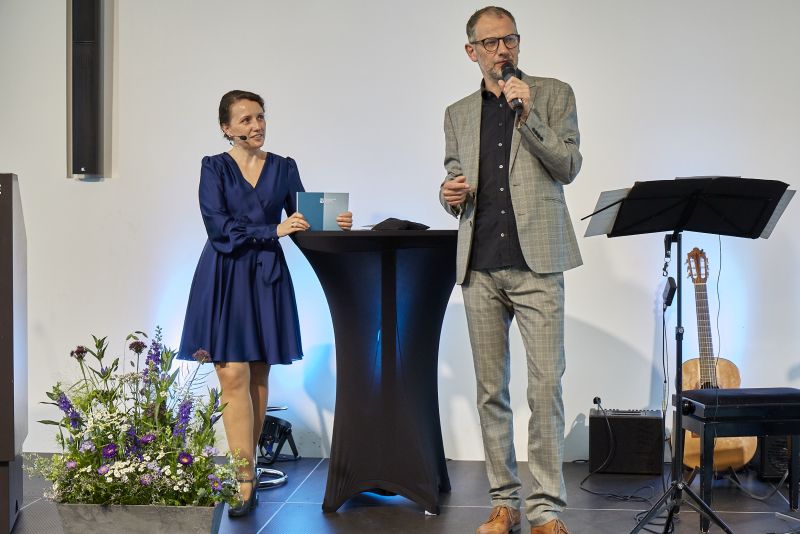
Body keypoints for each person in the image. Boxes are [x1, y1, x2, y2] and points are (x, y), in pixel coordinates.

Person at [439, 7, 582, 534]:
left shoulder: (552, 94)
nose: (503, 50)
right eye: (491, 42)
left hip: (537, 263)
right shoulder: (457, 113)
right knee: (490, 391)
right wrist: (448, 194)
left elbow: (568, 166)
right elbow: (453, 181)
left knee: (545, 389)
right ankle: (504, 502)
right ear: (471, 51)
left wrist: (528, 114)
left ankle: (545, 510)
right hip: (479, 267)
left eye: (510, 40)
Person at [178, 90, 352, 517]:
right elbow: (219, 228)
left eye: (260, 117)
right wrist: (273, 230)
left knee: (257, 375)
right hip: (225, 275)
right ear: (226, 128)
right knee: (232, 373)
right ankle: (243, 480)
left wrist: (335, 224)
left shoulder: (284, 167)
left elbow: (302, 220)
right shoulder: (214, 167)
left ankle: (249, 469)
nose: (256, 126)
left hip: (265, 278)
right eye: (245, 120)